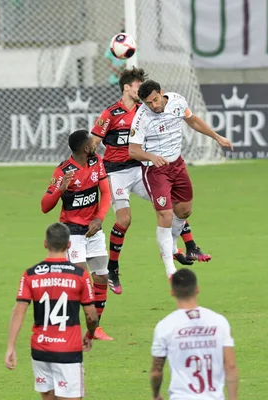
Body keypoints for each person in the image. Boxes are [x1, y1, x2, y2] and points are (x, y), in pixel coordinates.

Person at [91, 67, 211, 295]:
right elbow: (93, 143)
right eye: (137, 85)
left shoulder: (145, 110)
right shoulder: (110, 114)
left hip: (140, 169)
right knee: (124, 220)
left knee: (172, 204)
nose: (141, 91)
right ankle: (113, 267)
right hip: (116, 173)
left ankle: (189, 245)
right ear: (127, 87)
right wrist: (90, 170)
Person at [128, 80, 234, 279]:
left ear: (162, 93)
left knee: (184, 210)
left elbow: (192, 120)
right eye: (148, 103)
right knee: (165, 215)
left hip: (177, 165)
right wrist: (151, 157)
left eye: (156, 100)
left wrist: (217, 137)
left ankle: (173, 245)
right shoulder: (141, 117)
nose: (154, 106)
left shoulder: (177, 101)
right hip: (155, 170)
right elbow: (133, 151)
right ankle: (169, 268)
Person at [5, 222, 99, 400]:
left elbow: (19, 311)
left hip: (40, 350)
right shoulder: (79, 275)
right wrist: (90, 334)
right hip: (68, 350)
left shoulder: (31, 274)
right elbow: (91, 315)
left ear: (45, 244)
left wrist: (11, 346)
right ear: (69, 244)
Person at [41, 129, 114, 341]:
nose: (95, 144)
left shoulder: (96, 162)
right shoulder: (62, 171)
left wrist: (99, 218)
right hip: (72, 233)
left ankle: (96, 328)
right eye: (92, 142)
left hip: (93, 230)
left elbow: (106, 192)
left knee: (101, 276)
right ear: (85, 148)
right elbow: (45, 207)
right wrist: (60, 190)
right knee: (80, 281)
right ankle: (65, 326)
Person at [150, 268, 238, 400]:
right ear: (197, 289)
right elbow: (230, 366)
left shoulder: (165, 326)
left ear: (172, 292)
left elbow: (157, 371)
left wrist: (156, 394)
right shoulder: (219, 322)